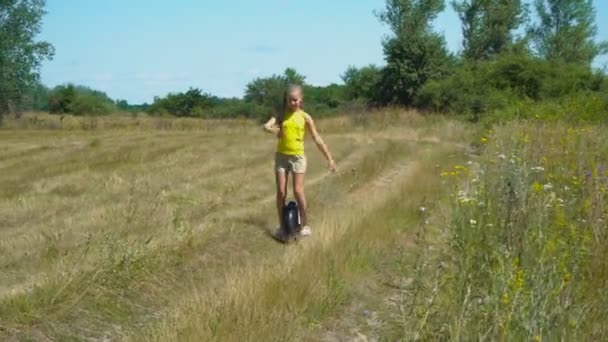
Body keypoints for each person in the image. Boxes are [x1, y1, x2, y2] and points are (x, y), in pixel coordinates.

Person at [263, 84, 336, 237]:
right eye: (290, 100)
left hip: (298, 157)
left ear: (301, 100)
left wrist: (329, 159)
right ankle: (282, 227)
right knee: (281, 192)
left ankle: (305, 225)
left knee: (297, 190)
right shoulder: (281, 114)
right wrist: (274, 129)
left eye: (295, 100)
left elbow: (317, 138)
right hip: (281, 157)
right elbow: (267, 125)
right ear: (286, 100)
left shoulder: (305, 117)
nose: (293, 103)